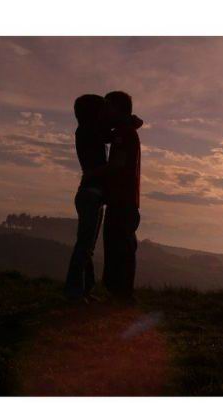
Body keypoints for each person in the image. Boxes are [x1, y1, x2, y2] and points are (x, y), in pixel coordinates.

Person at [64, 94, 109, 301]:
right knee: (84, 245)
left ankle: (84, 290)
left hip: (92, 195)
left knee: (87, 246)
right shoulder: (87, 131)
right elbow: (93, 170)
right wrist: (113, 168)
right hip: (90, 195)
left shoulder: (89, 131)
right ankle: (74, 291)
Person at [101, 91, 143, 303]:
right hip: (125, 200)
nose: (104, 112)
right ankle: (120, 294)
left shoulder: (124, 133)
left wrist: (94, 174)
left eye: (107, 107)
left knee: (118, 247)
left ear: (117, 108)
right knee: (121, 247)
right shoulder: (126, 131)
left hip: (121, 200)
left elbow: (117, 164)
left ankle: (121, 295)